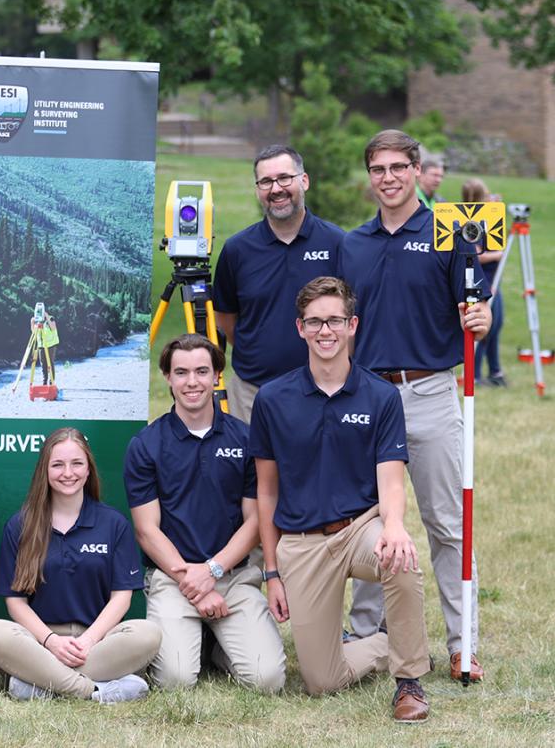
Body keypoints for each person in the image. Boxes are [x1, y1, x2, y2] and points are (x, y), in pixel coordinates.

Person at [338, 130, 491, 681]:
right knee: (367, 520)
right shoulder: (353, 244)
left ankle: (462, 642)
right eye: (377, 169)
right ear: (369, 176)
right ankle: (366, 634)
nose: (388, 178)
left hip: (429, 390)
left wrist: (482, 319)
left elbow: (476, 307)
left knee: (446, 523)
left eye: (398, 167)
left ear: (416, 169)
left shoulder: (449, 233)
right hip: (370, 396)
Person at [250, 276, 432, 722]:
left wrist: (393, 527)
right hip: (303, 541)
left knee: (401, 559)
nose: (324, 331)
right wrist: (272, 572)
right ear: (300, 329)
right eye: (314, 322)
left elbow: (391, 479)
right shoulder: (273, 399)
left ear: (352, 325)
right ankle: (387, 643)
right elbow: (266, 491)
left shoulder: (381, 396)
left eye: (334, 321)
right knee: (322, 681)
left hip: (361, 527)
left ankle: (409, 681)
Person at [124, 334, 286, 691]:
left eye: (201, 371)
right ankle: (200, 636)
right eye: (181, 373)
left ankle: (216, 647)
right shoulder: (146, 445)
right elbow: (147, 531)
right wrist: (193, 582)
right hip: (172, 576)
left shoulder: (244, 439)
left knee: (268, 681)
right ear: (167, 377)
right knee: (176, 680)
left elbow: (256, 521)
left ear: (217, 376)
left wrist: (213, 571)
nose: (192, 382)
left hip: (232, 574)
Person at [0, 428, 161, 703]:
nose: (68, 472)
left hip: (97, 641)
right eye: (58, 464)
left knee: (148, 633)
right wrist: (51, 641)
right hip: (40, 642)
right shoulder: (20, 525)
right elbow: (15, 603)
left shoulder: (113, 524)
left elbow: (122, 597)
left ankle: (39, 685)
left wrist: (88, 641)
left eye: (77, 463)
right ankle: (94, 691)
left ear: (88, 469)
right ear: (45, 470)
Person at [212, 145, 343, 422]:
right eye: (266, 182)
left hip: (323, 392)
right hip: (252, 394)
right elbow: (225, 318)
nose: (276, 189)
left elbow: (353, 317)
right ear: (258, 188)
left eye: (285, 178)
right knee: (251, 467)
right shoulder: (237, 250)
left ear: (304, 180)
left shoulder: (337, 243)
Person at [464, 178, 507, 386]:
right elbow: (476, 254)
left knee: (495, 326)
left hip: (492, 280)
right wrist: (499, 255)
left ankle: (494, 370)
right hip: (486, 281)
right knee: (484, 328)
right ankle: (476, 374)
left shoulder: (486, 216)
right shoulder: (472, 223)